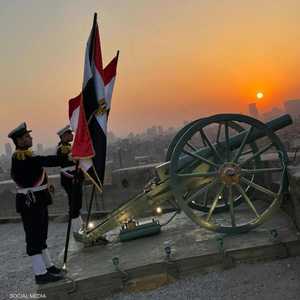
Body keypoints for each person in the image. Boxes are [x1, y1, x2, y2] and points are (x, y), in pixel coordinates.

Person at [9, 122, 64, 285]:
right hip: (30, 202)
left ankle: (48, 266)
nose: (30, 138)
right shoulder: (21, 157)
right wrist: (66, 157)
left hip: (37, 199)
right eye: (26, 136)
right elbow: (42, 161)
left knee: (40, 235)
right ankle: (40, 274)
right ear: (19, 141)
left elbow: (34, 173)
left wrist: (46, 185)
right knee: (33, 238)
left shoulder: (25, 154)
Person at [56, 125, 84, 239]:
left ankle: (80, 226)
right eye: (69, 134)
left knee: (77, 203)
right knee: (74, 204)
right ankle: (76, 229)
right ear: (64, 136)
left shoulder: (68, 146)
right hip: (70, 178)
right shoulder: (62, 149)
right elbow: (67, 164)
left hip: (74, 177)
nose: (72, 135)